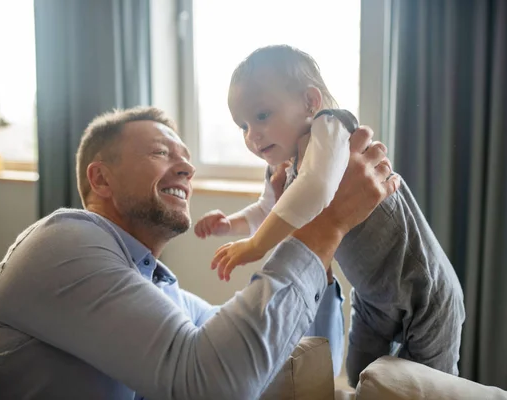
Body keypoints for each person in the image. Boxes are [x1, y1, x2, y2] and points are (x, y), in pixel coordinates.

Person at [0, 106, 399, 399]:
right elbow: (210, 385)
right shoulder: (64, 240)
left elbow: (291, 355)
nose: (187, 169)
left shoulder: (164, 294)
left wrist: (309, 227)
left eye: (188, 159)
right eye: (161, 152)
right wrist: (327, 227)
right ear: (100, 179)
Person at [194, 45, 466, 386]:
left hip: (424, 292)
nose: (252, 135)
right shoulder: (283, 168)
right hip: (372, 300)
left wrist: (255, 246)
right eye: (243, 126)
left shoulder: (331, 129)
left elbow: (317, 188)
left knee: (429, 389)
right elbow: (269, 210)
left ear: (310, 101)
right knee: (361, 381)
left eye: (261, 116)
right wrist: (229, 225)